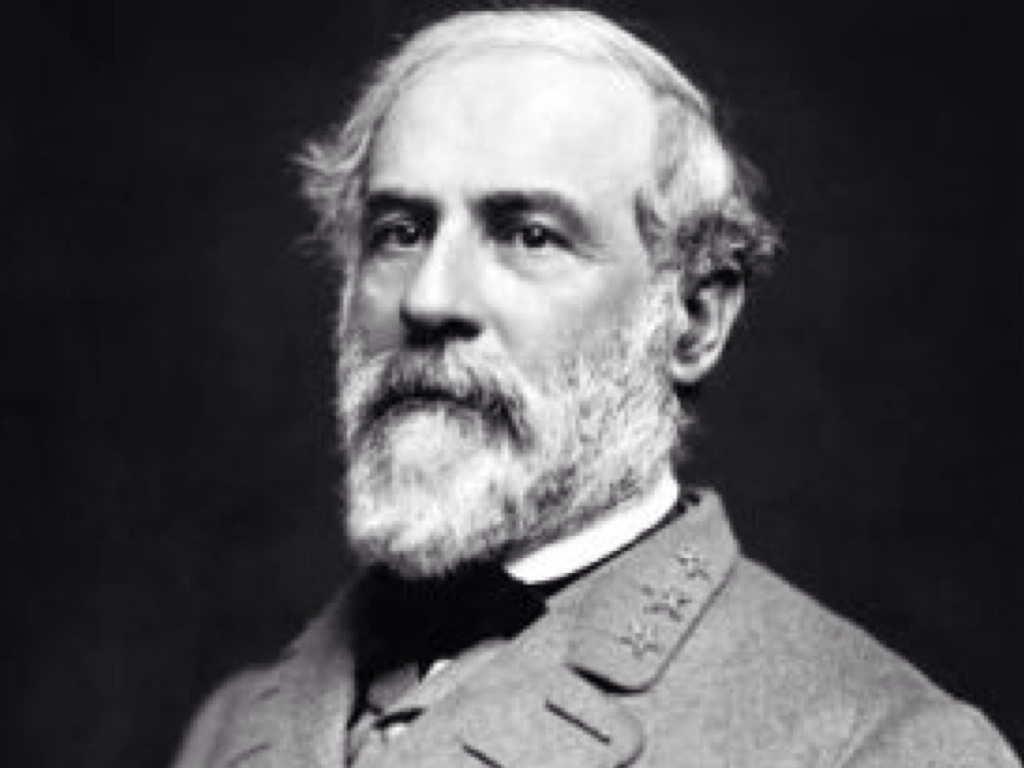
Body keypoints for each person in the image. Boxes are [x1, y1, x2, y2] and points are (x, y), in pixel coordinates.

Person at [173, 7, 1019, 767]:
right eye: (400, 232)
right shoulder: (230, 726)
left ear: (694, 319)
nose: (429, 299)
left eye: (529, 236)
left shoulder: (884, 747)